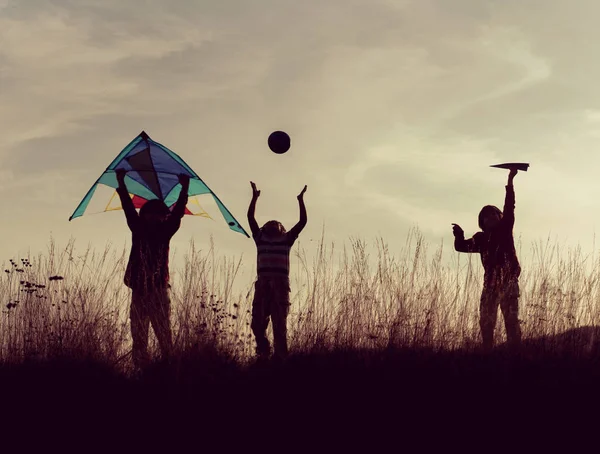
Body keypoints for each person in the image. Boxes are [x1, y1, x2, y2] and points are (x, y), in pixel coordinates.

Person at [116, 168, 189, 368]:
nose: (157, 218)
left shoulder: (165, 230)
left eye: (160, 215)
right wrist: (121, 185)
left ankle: (168, 370)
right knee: (139, 335)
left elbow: (177, 214)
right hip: (140, 289)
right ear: (145, 215)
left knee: (164, 335)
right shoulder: (138, 228)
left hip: (157, 289)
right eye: (152, 214)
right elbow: (128, 208)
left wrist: (185, 189)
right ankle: (142, 370)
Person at [452, 168, 522, 352]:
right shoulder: (481, 239)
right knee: (486, 323)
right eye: (486, 216)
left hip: (509, 283)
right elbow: (461, 247)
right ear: (482, 222)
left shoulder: (505, 230)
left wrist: (510, 180)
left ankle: (516, 356)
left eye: (494, 213)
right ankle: (487, 354)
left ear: (500, 217)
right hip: (489, 286)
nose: (490, 217)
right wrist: (459, 236)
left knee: (511, 323)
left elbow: (509, 207)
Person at [247, 181, 307, 360]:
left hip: (280, 287)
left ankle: (281, 360)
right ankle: (263, 351)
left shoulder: (286, 240)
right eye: (270, 223)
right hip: (263, 285)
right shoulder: (260, 238)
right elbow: (250, 218)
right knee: (257, 325)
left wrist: (300, 200)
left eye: (277, 223)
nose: (273, 224)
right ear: (265, 229)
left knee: (280, 327)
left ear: (282, 229)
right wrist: (254, 198)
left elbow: (302, 221)